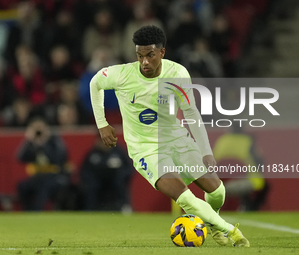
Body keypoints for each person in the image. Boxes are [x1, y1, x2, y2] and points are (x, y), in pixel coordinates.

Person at [90, 25, 250, 247]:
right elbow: (95, 83)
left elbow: (191, 112)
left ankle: (212, 223)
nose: (144, 62)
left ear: (162, 53)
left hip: (177, 139)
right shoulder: (122, 75)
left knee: (218, 191)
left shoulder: (177, 74)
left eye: (150, 55)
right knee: (186, 198)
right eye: (140, 56)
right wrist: (102, 124)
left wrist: (205, 151)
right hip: (146, 149)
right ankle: (230, 231)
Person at [16, 117, 70, 210]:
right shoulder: (31, 144)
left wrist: (43, 143)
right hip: (38, 176)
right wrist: (28, 141)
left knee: (44, 185)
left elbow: (58, 158)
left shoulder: (54, 141)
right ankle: (28, 211)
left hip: (55, 176)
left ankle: (38, 211)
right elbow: (20, 157)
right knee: (22, 186)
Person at [213, 123, 270, 211]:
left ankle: (244, 206)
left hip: (222, 184)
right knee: (264, 185)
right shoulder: (247, 141)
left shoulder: (221, 140)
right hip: (248, 182)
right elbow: (259, 161)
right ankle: (251, 208)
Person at [80, 135, 133, 212]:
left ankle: (125, 207)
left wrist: (122, 176)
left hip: (115, 179)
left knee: (119, 183)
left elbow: (129, 168)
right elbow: (84, 170)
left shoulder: (119, 152)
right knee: (91, 186)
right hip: (98, 180)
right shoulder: (92, 153)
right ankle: (90, 209)